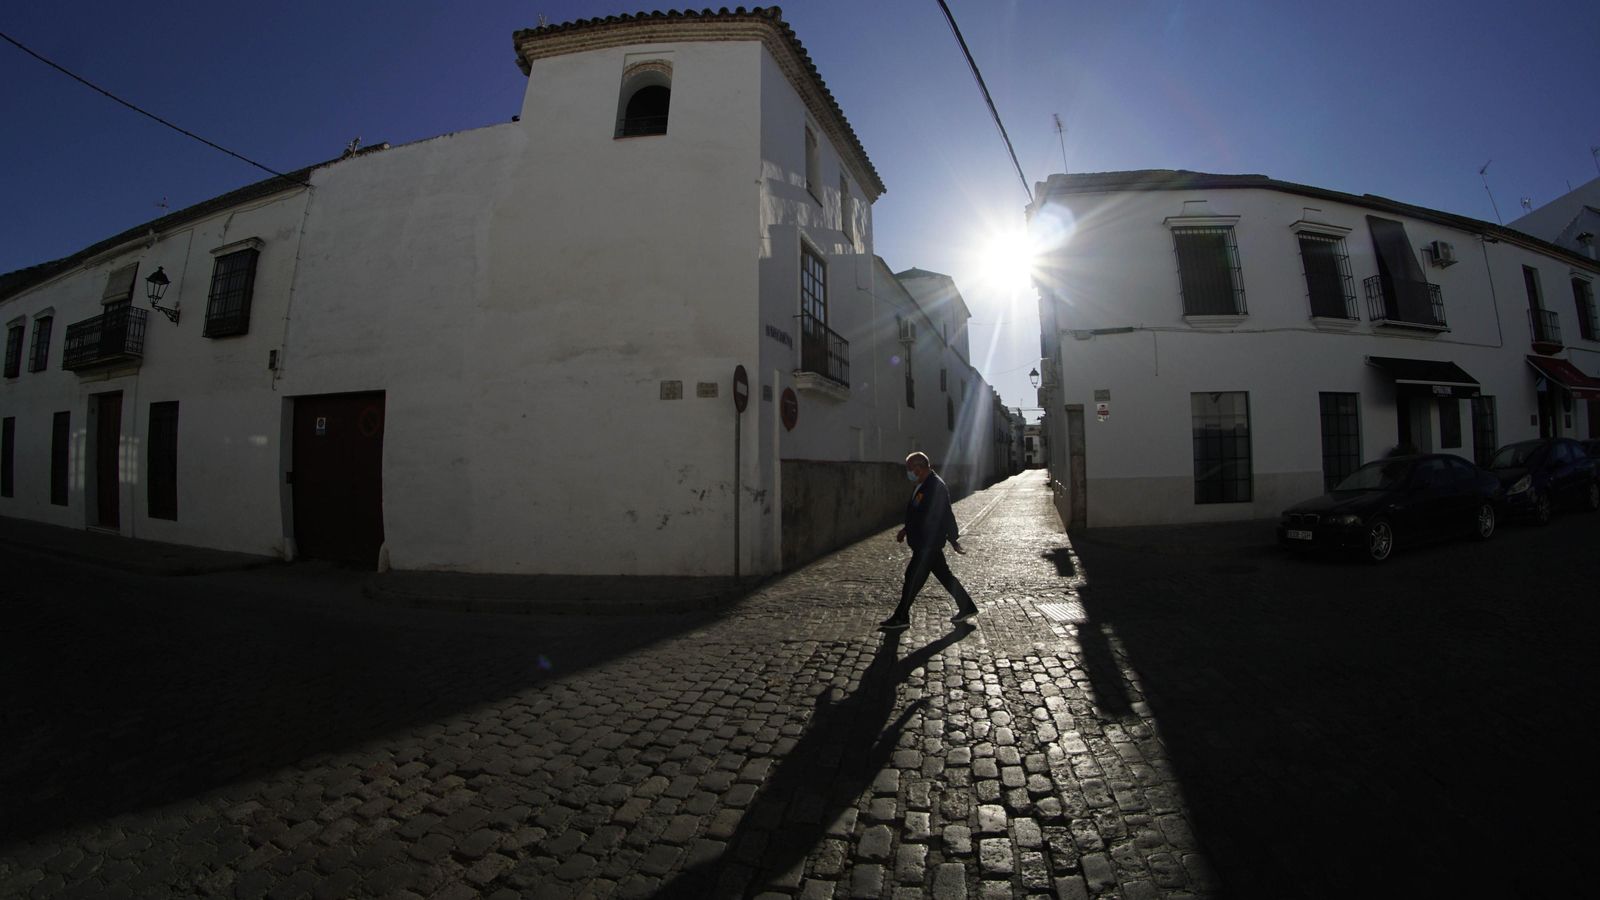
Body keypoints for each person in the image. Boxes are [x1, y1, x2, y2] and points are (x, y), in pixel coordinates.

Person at [879, 451, 979, 630]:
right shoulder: (924, 484)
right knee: (944, 576)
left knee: (912, 578)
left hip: (928, 544)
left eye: (910, 468)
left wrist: (953, 539)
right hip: (925, 543)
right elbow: (919, 513)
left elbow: (945, 514)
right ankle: (967, 606)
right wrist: (906, 529)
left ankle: (901, 616)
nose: (908, 472)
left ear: (919, 467)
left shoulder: (935, 486)